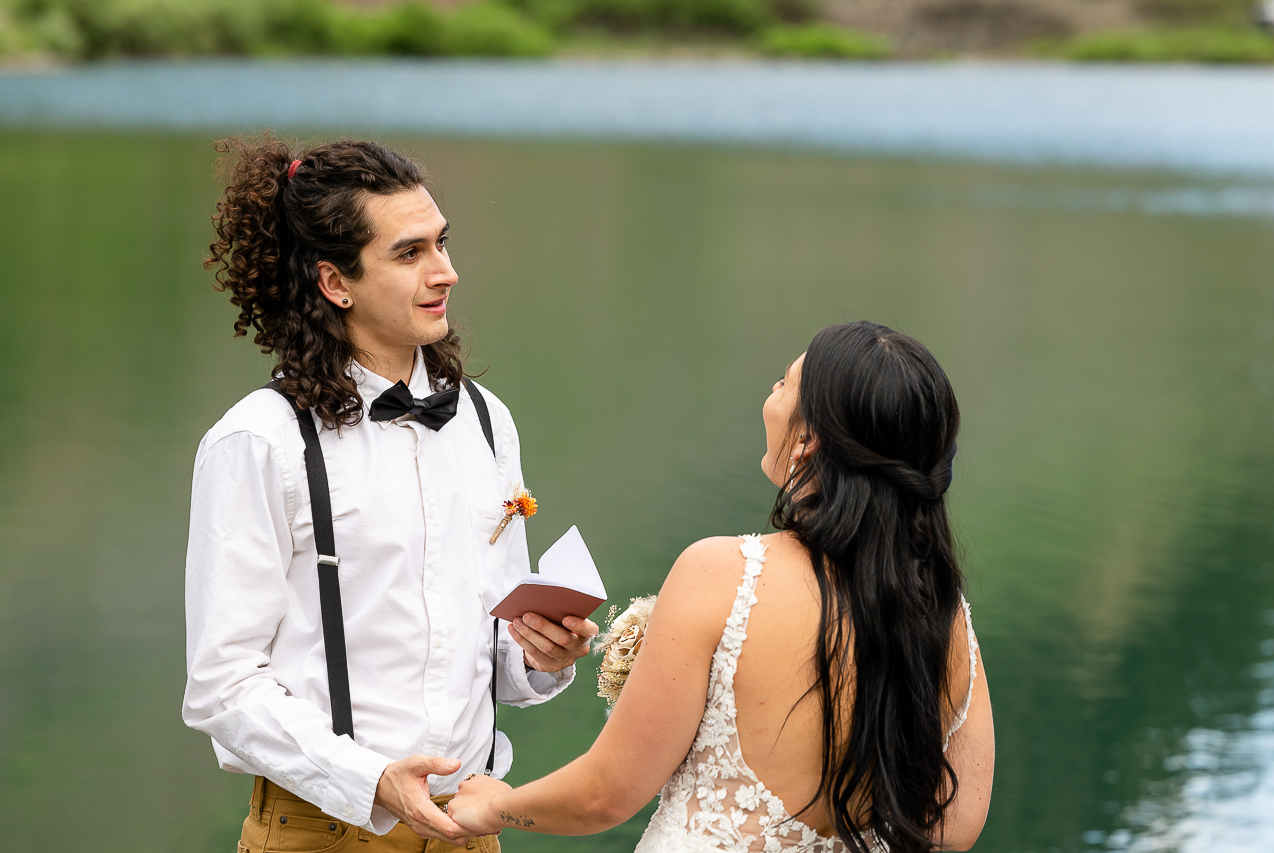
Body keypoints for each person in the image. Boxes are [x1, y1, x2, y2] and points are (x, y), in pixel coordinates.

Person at [182, 135, 598, 853]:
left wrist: (541, 656)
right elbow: (221, 686)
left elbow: (494, 650)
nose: (447, 272)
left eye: (442, 243)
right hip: (321, 830)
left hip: (470, 826)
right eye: (410, 254)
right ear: (335, 282)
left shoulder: (487, 420)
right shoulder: (260, 440)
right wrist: (370, 776)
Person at [446, 321, 995, 852]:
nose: (771, 394)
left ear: (807, 442)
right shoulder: (946, 613)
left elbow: (606, 797)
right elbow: (958, 823)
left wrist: (495, 806)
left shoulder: (723, 574)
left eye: (784, 383)